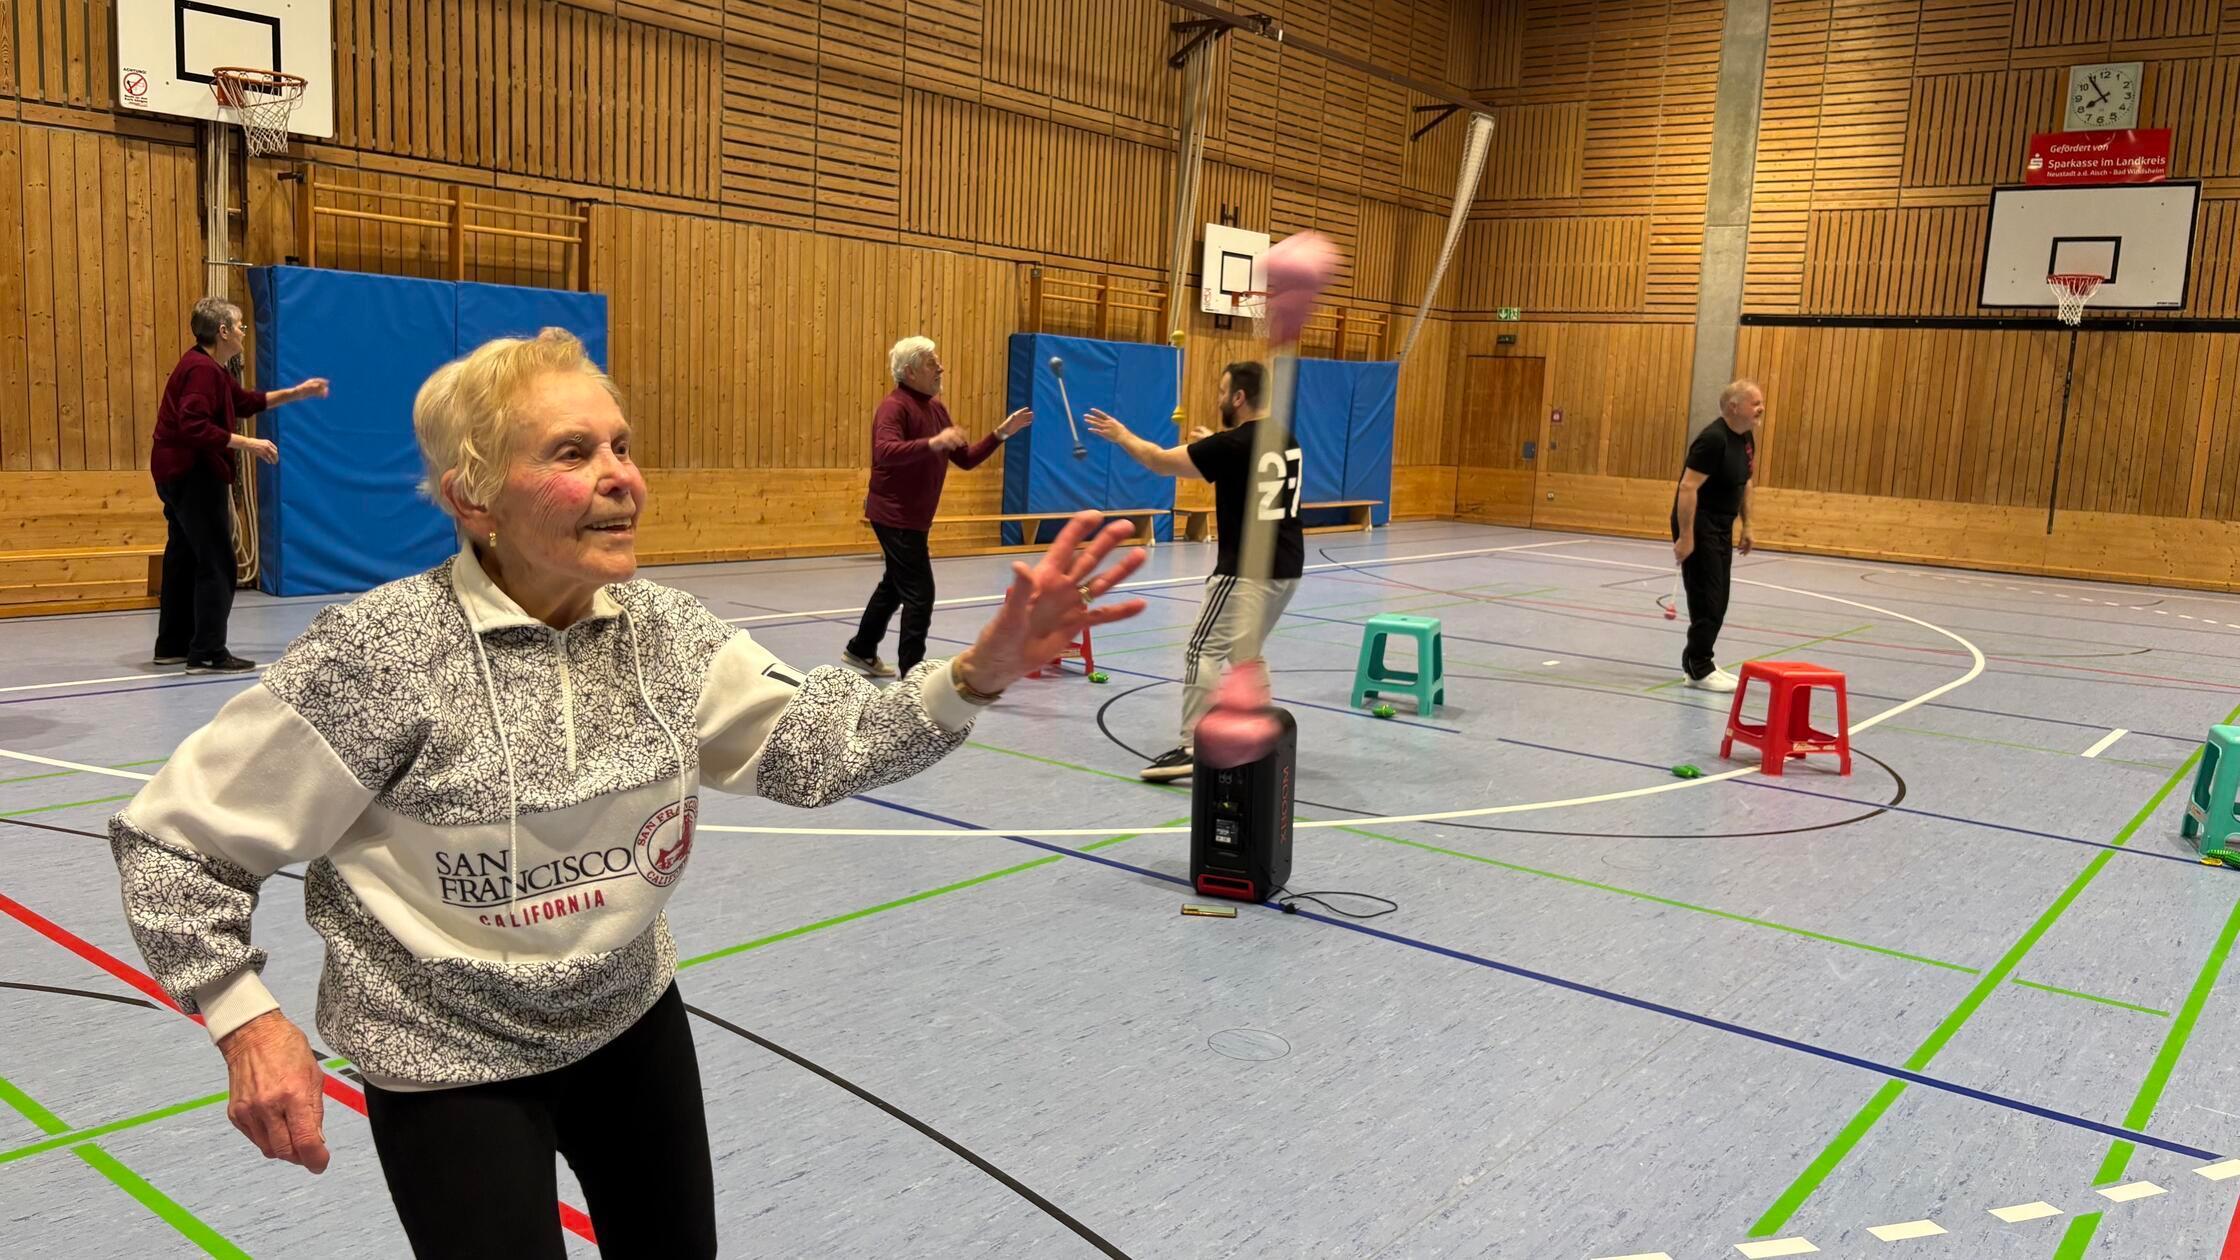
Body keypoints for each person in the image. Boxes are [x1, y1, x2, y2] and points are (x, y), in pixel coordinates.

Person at [107, 328, 1147, 1259]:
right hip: (444, 1053)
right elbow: (173, 842)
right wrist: (246, 1018)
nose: (621, 478)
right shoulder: (379, 656)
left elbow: (816, 747)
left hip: (628, 1022)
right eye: (572, 453)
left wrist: (976, 674)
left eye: (621, 446)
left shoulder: (663, 631)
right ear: (475, 497)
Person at [1084, 361, 1302, 781]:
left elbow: (1160, 461)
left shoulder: (1231, 446)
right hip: (1287, 569)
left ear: (1238, 398)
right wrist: (1215, 444)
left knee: (1201, 650)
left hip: (1246, 573)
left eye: (1223, 392)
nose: (1219, 399)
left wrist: (1122, 435)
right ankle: (1260, 734)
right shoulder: (1283, 439)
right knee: (1246, 653)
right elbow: (1244, 466)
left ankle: (1192, 746)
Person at [151, 296, 329, 672]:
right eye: (240, 325)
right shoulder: (201, 371)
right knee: (217, 562)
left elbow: (246, 402)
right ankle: (208, 651)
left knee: (183, 557)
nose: (244, 332)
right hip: (193, 474)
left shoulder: (210, 369)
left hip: (174, 472)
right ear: (223, 331)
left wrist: (297, 393)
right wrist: (250, 444)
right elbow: (193, 425)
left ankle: (172, 644)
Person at [844, 336, 1032, 679]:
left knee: (895, 584)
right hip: (894, 515)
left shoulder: (935, 408)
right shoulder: (894, 406)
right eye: (932, 363)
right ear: (911, 371)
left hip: (914, 517)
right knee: (920, 593)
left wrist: (1001, 433)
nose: (940, 367)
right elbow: (885, 450)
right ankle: (913, 675)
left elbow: (966, 458)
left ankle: (861, 649)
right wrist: (933, 443)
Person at [1671, 379, 1764, 692]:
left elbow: (1745, 483)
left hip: (1722, 524)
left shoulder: (1745, 438)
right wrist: (1685, 537)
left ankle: (1702, 660)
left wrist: (1747, 525)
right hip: (1699, 522)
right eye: (1755, 403)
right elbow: (1687, 487)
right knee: (1707, 597)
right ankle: (1698, 668)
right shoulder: (1712, 439)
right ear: (1734, 407)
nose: (1761, 408)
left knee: (1720, 598)